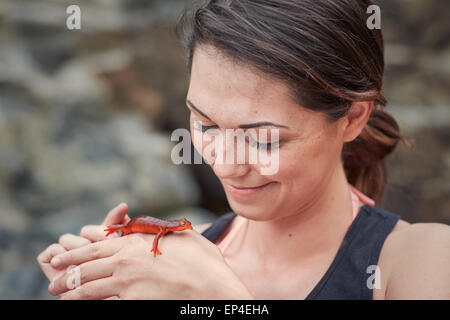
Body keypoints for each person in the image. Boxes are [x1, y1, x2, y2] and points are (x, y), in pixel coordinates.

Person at [37, 0, 449, 299]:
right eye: (205, 123)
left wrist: (219, 297)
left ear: (353, 118)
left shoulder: (421, 262)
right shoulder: (169, 262)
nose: (226, 165)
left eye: (263, 138)